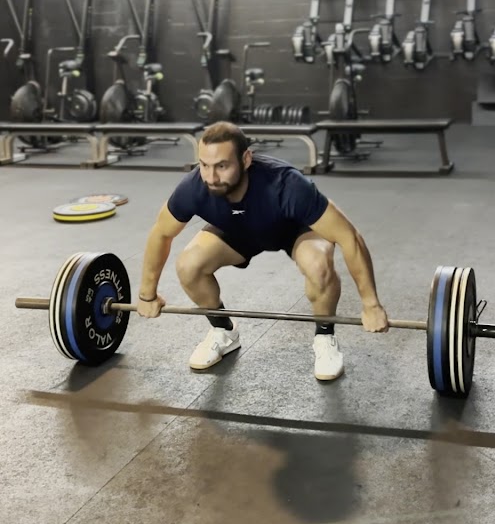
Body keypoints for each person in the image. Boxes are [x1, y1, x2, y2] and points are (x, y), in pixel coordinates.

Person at [136, 121, 389, 381]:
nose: (211, 177)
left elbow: (349, 238)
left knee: (319, 266)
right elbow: (161, 233)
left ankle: (325, 337)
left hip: (293, 229)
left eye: (222, 166)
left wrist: (371, 304)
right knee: (188, 265)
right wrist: (147, 294)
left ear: (246, 159)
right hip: (237, 230)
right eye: (204, 165)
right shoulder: (194, 187)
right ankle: (224, 331)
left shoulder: (287, 184)